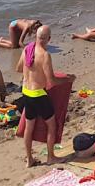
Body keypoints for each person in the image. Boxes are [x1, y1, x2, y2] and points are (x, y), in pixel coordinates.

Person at [17, 25, 68, 167]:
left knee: (29, 127)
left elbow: (18, 68)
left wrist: (32, 72)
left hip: (26, 93)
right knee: (52, 125)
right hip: (39, 95)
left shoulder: (27, 49)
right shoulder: (45, 55)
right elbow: (52, 80)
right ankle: (51, 157)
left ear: (35, 37)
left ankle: (29, 159)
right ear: (49, 39)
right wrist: (68, 79)